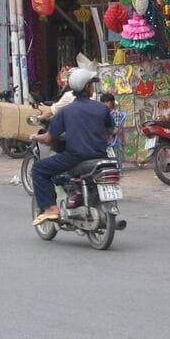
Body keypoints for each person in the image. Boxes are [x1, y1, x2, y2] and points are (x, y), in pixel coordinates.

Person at [31, 68, 113, 226]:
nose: (93, 88)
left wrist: (35, 136)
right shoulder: (102, 108)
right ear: (87, 87)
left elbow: (49, 138)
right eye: (91, 85)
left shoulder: (66, 111)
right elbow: (111, 129)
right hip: (101, 156)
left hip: (76, 157)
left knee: (39, 169)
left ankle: (51, 209)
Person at [101, 92, 127, 172]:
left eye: (105, 103)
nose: (103, 105)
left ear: (110, 102)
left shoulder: (115, 114)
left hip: (111, 137)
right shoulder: (104, 113)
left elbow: (116, 129)